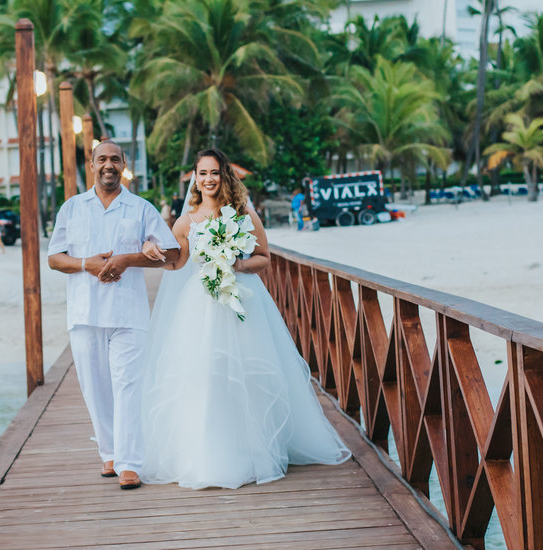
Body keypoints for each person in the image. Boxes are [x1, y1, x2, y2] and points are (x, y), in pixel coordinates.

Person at [140, 148, 350, 490]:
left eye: (214, 173)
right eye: (202, 173)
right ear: (195, 177)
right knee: (206, 373)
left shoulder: (243, 214)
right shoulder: (185, 221)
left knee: (247, 370)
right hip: (201, 303)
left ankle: (254, 449)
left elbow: (264, 257)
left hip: (243, 301)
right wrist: (153, 251)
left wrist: (234, 264)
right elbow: (177, 263)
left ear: (224, 175)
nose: (208, 179)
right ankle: (207, 454)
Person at [47, 140, 180, 490]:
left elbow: (172, 251)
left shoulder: (140, 208)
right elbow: (54, 258)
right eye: (102, 159)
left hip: (128, 312)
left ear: (124, 165)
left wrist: (127, 258)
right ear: (91, 164)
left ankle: (129, 463)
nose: (109, 165)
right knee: (95, 388)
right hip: (84, 312)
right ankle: (109, 453)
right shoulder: (72, 208)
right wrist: (84, 264)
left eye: (115, 159)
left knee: (128, 386)